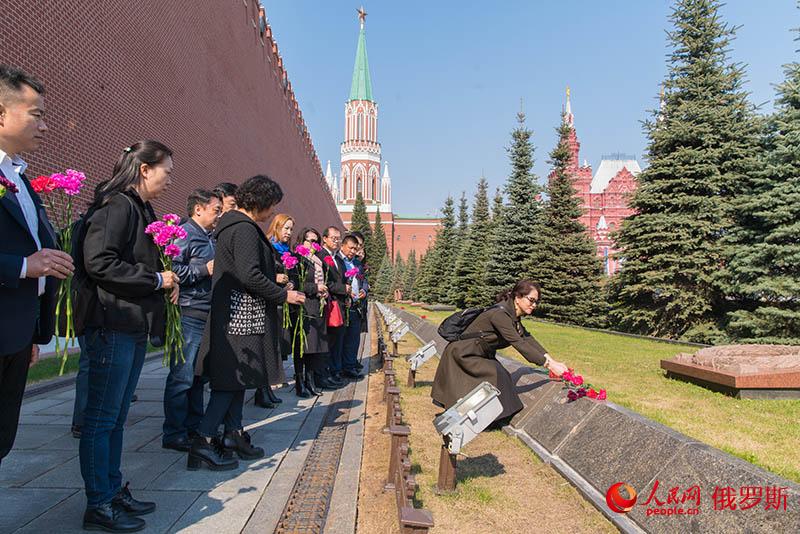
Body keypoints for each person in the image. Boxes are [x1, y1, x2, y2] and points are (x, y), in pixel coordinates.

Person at [77, 140, 179, 532]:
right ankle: (98, 502)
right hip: (111, 323)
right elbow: (99, 261)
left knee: (116, 418)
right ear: (144, 169)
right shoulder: (117, 203)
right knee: (102, 419)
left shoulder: (138, 207)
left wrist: (163, 279)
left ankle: (112, 489)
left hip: (131, 324)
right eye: (166, 170)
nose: (170, 178)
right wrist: (154, 278)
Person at [191, 175, 305, 469]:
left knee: (238, 378)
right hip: (238, 317)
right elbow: (249, 274)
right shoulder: (242, 229)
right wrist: (283, 295)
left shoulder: (236, 226)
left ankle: (233, 433)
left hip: (239, 314)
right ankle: (203, 440)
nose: (270, 213)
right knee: (229, 382)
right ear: (260, 202)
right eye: (271, 206)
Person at [0, 65, 73, 465]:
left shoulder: (20, 180)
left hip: (15, 335)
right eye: (37, 115)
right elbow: (24, 261)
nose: (44, 127)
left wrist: (30, 331)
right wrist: (22, 266)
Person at [431, 280, 569, 425]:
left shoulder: (512, 315)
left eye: (537, 302)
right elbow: (519, 343)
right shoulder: (500, 314)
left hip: (476, 353)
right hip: (463, 353)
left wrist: (552, 361)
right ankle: (482, 419)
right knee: (496, 374)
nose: (534, 305)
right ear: (518, 297)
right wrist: (549, 365)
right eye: (531, 300)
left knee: (498, 375)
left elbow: (527, 338)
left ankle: (483, 417)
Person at [162, 189, 222, 452]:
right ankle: (174, 432)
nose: (218, 215)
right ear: (198, 209)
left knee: (198, 376)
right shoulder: (185, 234)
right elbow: (172, 270)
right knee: (182, 376)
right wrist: (203, 269)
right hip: (189, 313)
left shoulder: (209, 237)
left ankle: (193, 426)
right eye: (215, 209)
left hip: (205, 311)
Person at [290, 227, 328, 397]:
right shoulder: (297, 259)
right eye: (310, 240)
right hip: (303, 307)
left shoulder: (318, 261)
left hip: (317, 305)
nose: (313, 244)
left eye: (316, 241)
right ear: (302, 241)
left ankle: (310, 380)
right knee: (301, 347)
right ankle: (299, 382)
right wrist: (315, 288)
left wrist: (323, 290)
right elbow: (297, 284)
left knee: (313, 347)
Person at [318, 226, 349, 386]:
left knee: (338, 340)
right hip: (329, 305)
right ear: (324, 239)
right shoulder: (321, 256)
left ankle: (335, 371)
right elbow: (326, 282)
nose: (336, 241)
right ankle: (326, 373)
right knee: (328, 341)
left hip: (340, 305)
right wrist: (343, 289)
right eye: (333, 238)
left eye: (338, 238)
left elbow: (342, 279)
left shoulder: (338, 259)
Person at [338, 234, 365, 379]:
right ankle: (339, 368)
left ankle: (349, 366)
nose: (353, 251)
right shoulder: (337, 260)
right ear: (343, 246)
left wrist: (364, 290)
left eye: (356, 248)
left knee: (353, 338)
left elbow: (363, 280)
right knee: (341, 339)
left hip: (356, 304)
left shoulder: (358, 263)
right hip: (342, 304)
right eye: (351, 248)